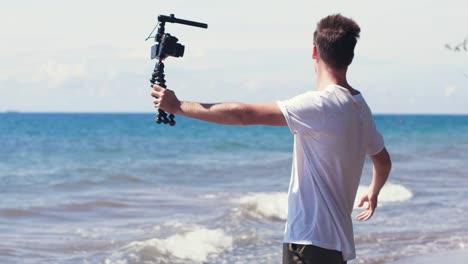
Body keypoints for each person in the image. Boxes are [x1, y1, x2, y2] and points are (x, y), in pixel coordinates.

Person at [150, 13, 392, 264]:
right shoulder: (359, 106)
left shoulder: (320, 104)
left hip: (310, 241)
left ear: (314, 52)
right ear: (350, 57)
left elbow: (244, 115)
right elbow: (383, 160)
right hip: (336, 246)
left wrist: (177, 106)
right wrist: (373, 192)